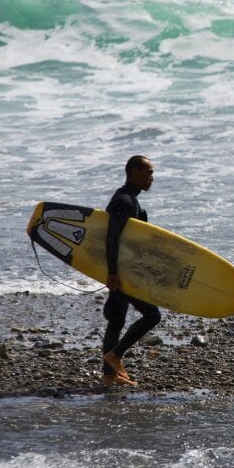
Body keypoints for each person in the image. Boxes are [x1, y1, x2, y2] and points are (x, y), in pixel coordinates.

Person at [101, 155, 162, 386]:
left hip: (121, 268)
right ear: (134, 172)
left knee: (116, 320)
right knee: (152, 315)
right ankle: (115, 356)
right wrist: (113, 272)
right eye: (148, 173)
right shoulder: (124, 201)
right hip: (121, 272)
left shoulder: (131, 201)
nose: (151, 178)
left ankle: (109, 376)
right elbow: (111, 237)